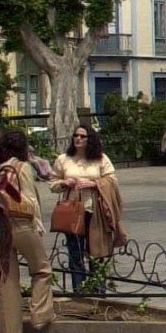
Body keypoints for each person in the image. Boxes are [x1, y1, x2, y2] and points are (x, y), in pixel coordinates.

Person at [0, 130, 56, 333]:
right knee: (41, 269)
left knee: (7, 281)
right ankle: (39, 316)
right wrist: (38, 224)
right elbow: (29, 199)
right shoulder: (23, 167)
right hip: (23, 224)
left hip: (1, 227)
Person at [51, 125, 127, 292]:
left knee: (96, 251)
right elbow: (53, 184)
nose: (78, 139)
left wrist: (95, 184)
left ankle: (98, 290)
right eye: (76, 135)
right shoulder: (63, 159)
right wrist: (64, 183)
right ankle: (80, 290)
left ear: (89, 139)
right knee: (75, 252)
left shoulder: (101, 159)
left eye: (82, 136)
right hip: (72, 211)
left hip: (95, 211)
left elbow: (112, 181)